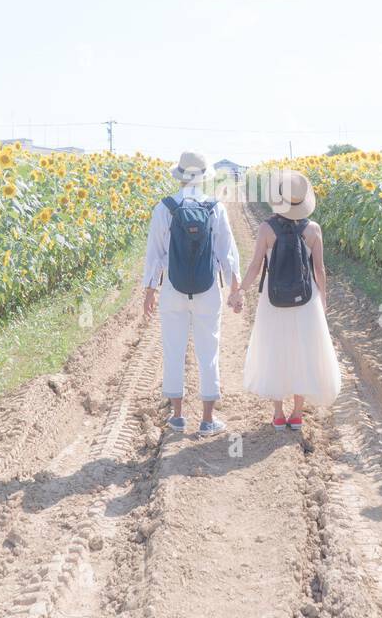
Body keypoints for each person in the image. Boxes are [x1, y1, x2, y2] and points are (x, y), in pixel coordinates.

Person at [142, 151, 242, 435]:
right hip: (207, 289)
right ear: (204, 177)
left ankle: (177, 417)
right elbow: (227, 253)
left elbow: (154, 254)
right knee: (208, 351)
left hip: (173, 289)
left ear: (180, 176)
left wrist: (150, 290)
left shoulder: (164, 208)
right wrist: (234, 288)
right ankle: (208, 420)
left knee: (173, 349)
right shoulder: (215, 208)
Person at [237, 169, 341, 430]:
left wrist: (240, 291)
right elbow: (319, 270)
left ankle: (277, 414)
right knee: (302, 352)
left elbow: (255, 267)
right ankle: (296, 414)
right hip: (306, 299)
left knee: (275, 351)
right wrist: (323, 299)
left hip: (273, 300)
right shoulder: (313, 229)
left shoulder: (266, 229)